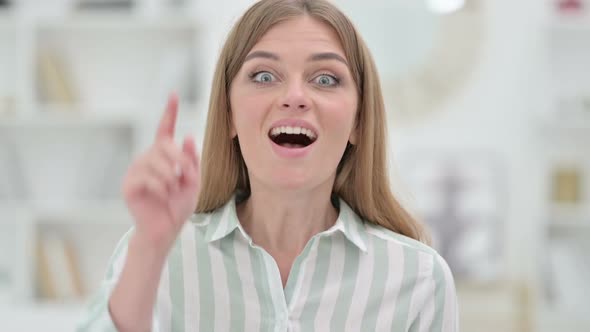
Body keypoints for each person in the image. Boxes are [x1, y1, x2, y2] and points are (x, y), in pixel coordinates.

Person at [77, 0, 458, 331]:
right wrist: (149, 248)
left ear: (359, 120)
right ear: (228, 113)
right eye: (263, 76)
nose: (294, 96)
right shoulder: (155, 254)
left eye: (325, 79)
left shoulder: (419, 279)